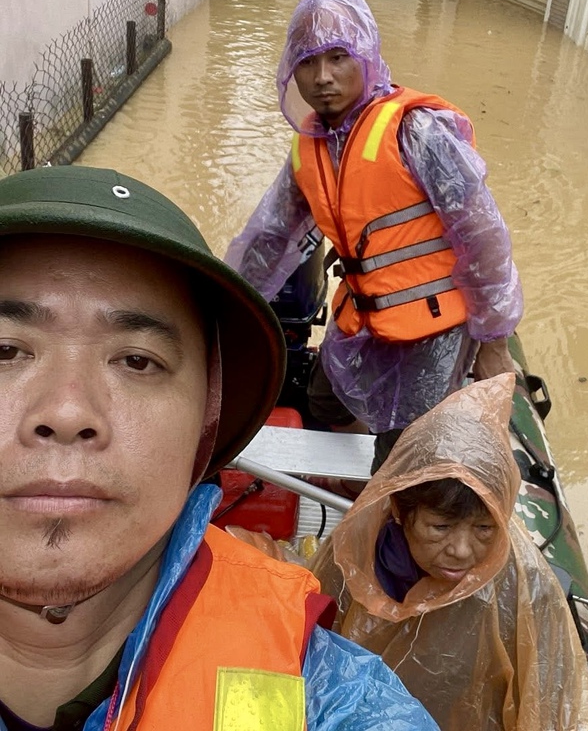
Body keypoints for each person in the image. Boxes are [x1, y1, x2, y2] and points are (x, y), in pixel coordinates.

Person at [0, 165, 440, 731]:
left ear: (205, 426)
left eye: (137, 360)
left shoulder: (333, 703)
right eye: (5, 351)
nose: (65, 413)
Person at [224, 0, 524, 472]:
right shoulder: (310, 149)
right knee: (322, 401)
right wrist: (218, 311)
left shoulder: (417, 132)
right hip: (362, 316)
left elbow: (484, 236)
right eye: (308, 61)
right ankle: (357, 482)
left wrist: (493, 342)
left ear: (366, 56)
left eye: (339, 57)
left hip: (436, 329)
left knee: (406, 452)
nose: (322, 77)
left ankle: (387, 501)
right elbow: (268, 239)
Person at [311, 373, 588, 730]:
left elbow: (555, 706)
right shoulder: (353, 554)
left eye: (484, 528)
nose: (462, 551)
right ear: (399, 511)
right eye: (441, 528)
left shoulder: (528, 586)